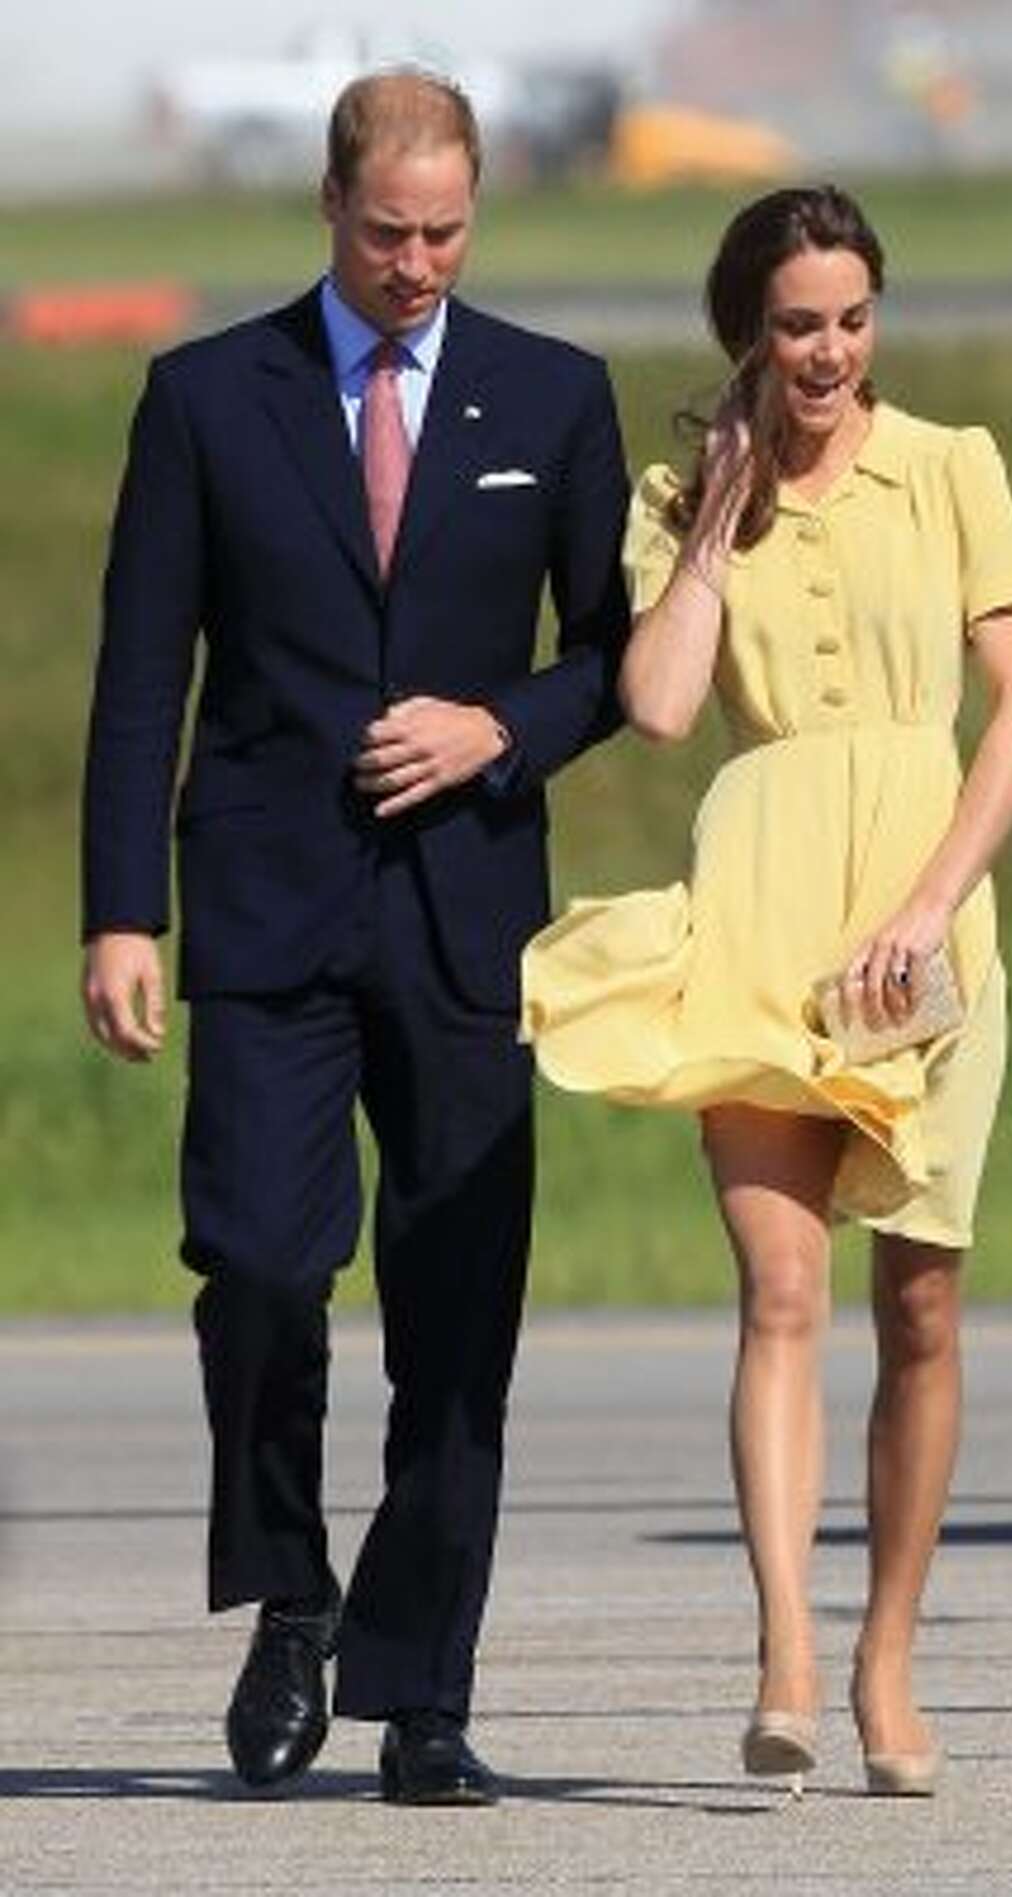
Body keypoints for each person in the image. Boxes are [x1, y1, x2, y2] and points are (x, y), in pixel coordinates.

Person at [80, 68, 629, 1806]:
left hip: (466, 915)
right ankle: (294, 1592)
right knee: (254, 1266)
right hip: (266, 904)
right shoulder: (203, 397)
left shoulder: (555, 392)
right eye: (389, 231)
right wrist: (120, 910)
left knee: (459, 1314)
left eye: (448, 230)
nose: (417, 262)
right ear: (330, 206)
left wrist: (501, 732)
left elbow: (619, 655)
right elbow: (139, 670)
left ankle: (427, 1694)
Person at [522, 185, 1012, 1796]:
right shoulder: (691, 488)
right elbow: (668, 706)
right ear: (745, 330)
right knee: (777, 1289)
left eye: (850, 318)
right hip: (761, 904)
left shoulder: (952, 465)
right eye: (796, 324)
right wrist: (711, 522)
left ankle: (891, 1656)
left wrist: (929, 905)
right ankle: (788, 1654)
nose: (828, 352)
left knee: (921, 1303)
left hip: (921, 913)